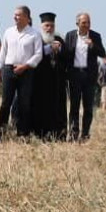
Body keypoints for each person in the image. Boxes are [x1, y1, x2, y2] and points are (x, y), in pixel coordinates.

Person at [60, 11, 106, 141]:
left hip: (89, 76)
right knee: (74, 106)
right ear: (77, 23)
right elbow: (65, 55)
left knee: (88, 106)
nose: (87, 25)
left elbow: (102, 53)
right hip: (74, 75)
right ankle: (74, 133)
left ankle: (85, 133)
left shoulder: (95, 36)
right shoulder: (70, 35)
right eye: (84, 23)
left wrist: (92, 45)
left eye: (88, 22)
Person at [0, 6, 41, 137]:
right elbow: (3, 53)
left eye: (18, 15)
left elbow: (38, 54)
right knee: (6, 102)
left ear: (27, 17)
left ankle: (22, 133)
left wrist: (25, 66)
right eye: (14, 15)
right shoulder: (8, 32)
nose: (15, 17)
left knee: (24, 103)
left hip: (26, 71)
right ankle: (1, 131)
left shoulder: (35, 34)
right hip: (9, 70)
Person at [33, 12, 66, 140]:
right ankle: (41, 134)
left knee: (58, 107)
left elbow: (68, 56)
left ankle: (59, 134)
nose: (49, 28)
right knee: (41, 107)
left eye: (52, 26)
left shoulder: (59, 39)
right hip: (40, 80)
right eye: (47, 25)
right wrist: (49, 49)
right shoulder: (36, 38)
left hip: (57, 80)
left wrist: (60, 50)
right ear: (42, 26)